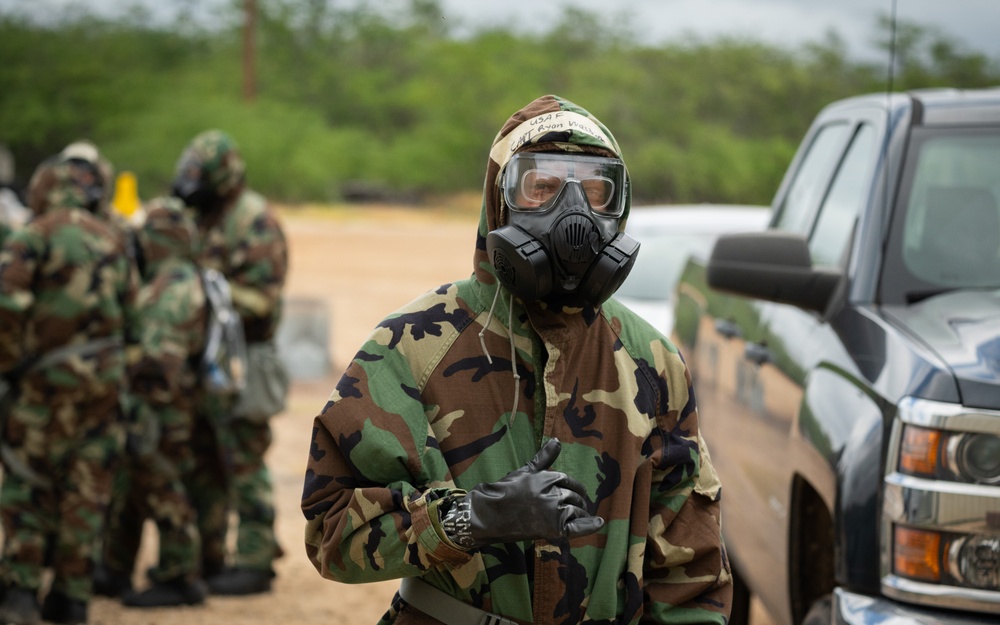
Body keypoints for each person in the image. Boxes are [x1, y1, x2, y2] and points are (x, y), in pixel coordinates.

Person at [300, 94, 732, 625]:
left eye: (596, 192)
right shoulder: (411, 346)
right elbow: (331, 531)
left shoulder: (652, 361)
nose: (573, 214)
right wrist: (470, 519)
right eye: (543, 188)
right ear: (499, 200)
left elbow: (690, 574)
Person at [0, 151, 139, 625]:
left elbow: (8, 305)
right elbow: (134, 317)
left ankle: (20, 593)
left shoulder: (32, 235)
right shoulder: (114, 239)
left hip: (43, 385)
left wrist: (9, 367)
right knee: (88, 487)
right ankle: (72, 597)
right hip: (103, 388)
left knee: (26, 481)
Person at [170, 129, 289, 595]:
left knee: (243, 458)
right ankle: (210, 556)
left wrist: (202, 289)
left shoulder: (254, 220)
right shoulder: (202, 215)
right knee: (203, 461)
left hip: (244, 357)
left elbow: (262, 300)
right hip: (205, 358)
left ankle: (256, 560)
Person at [96, 197, 210, 608]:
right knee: (132, 485)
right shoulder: (174, 276)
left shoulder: (172, 284)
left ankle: (180, 577)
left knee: (161, 482)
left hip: (160, 404)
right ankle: (114, 567)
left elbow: (158, 358)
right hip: (158, 400)